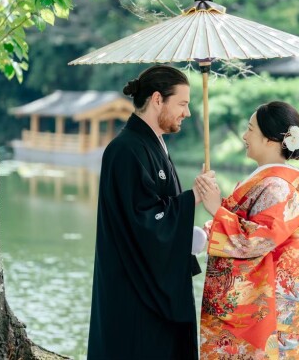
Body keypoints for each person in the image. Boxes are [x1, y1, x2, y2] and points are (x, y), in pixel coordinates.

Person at [87, 65, 215, 360]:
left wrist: (190, 231)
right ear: (158, 99)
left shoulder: (152, 145)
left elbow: (157, 213)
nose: (188, 113)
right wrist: (193, 197)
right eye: (182, 103)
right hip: (132, 285)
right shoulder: (125, 149)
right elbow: (141, 220)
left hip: (149, 278)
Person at [197, 101, 299, 359]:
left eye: (250, 129)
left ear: (270, 139)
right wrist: (210, 226)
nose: (245, 136)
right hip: (271, 308)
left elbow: (256, 239)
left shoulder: (277, 186)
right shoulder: (271, 181)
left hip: (269, 312)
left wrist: (216, 209)